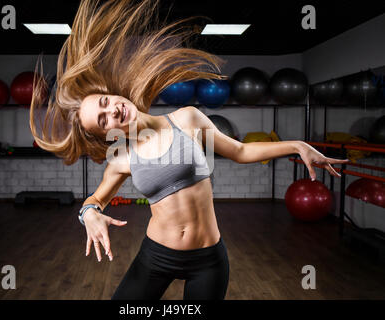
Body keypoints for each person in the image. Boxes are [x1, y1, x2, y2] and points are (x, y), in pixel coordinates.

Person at [29, 0, 349, 300]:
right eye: (102, 120)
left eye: (104, 103)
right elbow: (95, 200)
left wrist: (297, 145)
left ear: (111, 95)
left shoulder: (188, 118)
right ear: (105, 132)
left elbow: (239, 151)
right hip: (156, 256)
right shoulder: (122, 156)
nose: (111, 112)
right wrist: (90, 215)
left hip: (208, 259)